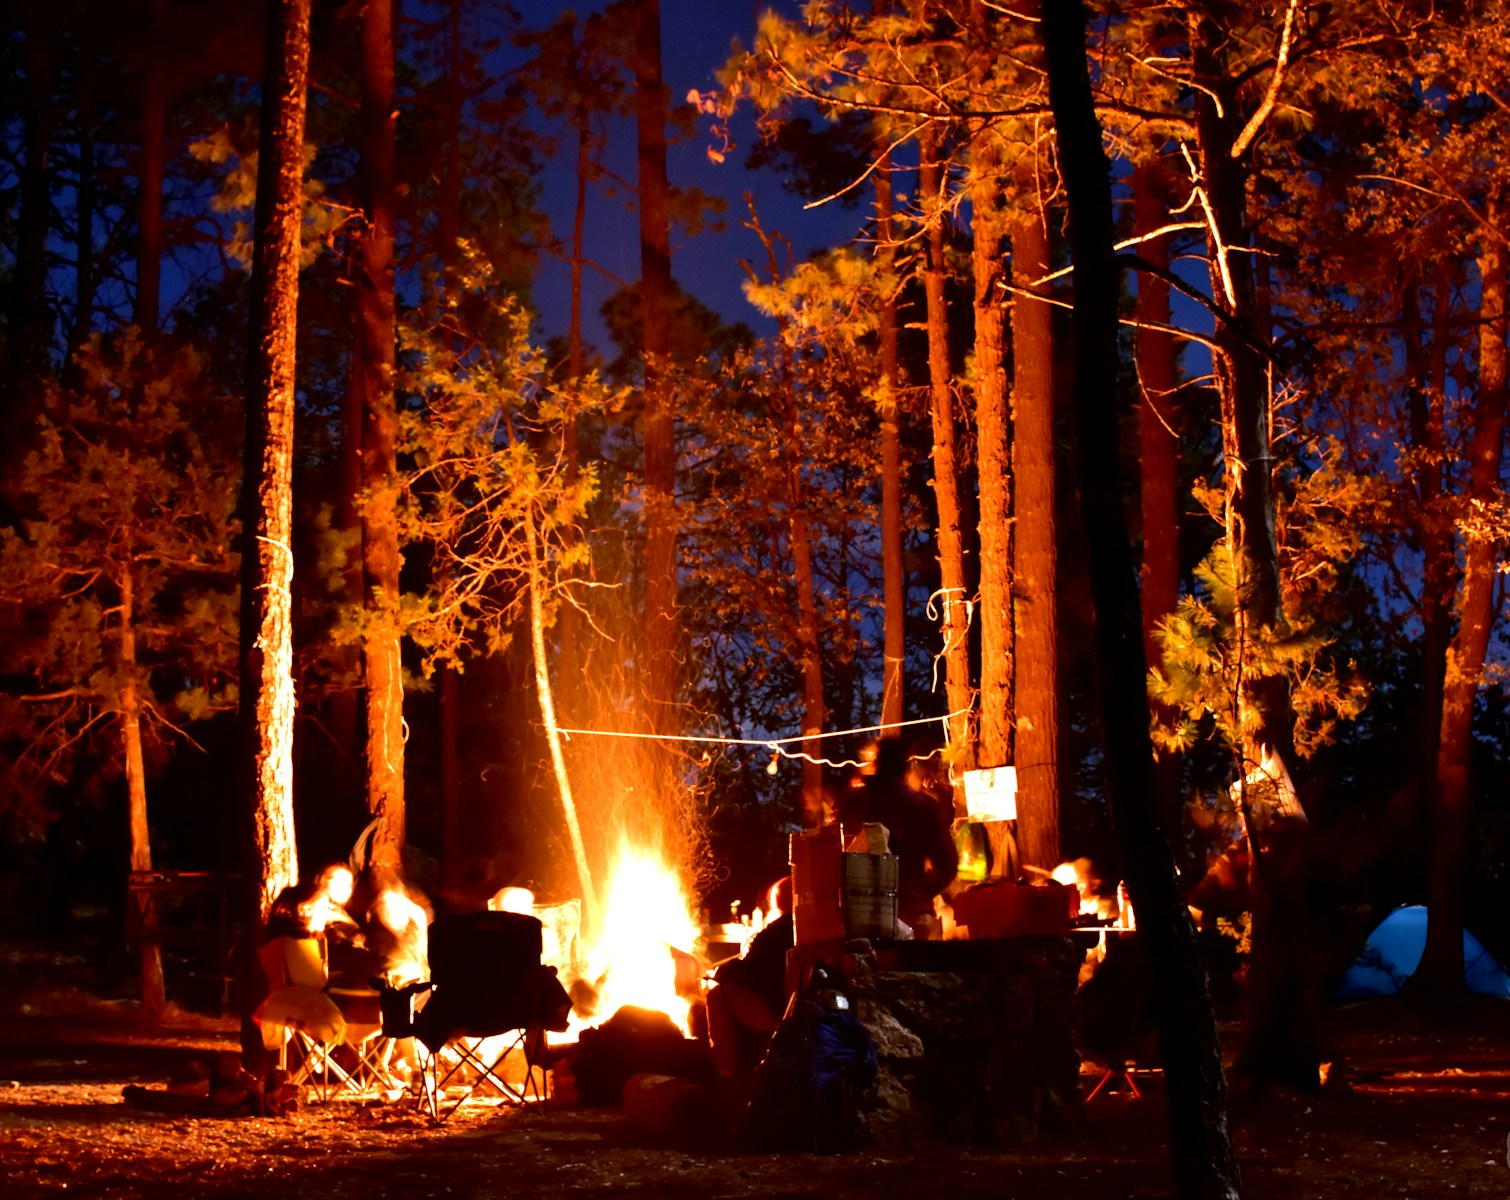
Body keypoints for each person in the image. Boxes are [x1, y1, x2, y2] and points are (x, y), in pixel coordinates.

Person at [839, 738, 958, 938]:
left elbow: (834, 862)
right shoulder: (924, 807)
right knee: (912, 967)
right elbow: (948, 864)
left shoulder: (852, 804)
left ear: (876, 764)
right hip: (913, 913)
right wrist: (921, 892)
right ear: (905, 766)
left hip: (862, 915)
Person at [705, 877, 794, 1076]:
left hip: (770, 1014)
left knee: (716, 995)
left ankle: (727, 1073)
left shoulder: (777, 933)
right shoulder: (812, 927)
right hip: (785, 1013)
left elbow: (747, 973)